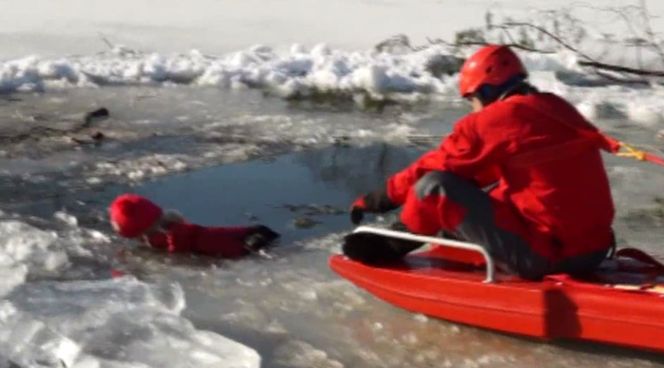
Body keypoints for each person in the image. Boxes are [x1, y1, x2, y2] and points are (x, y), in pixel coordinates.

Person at [344, 44, 621, 280]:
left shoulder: (495, 120)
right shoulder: (554, 108)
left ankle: (390, 246)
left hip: (550, 255)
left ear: (487, 92)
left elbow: (435, 170)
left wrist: (378, 199)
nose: (472, 108)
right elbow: (482, 172)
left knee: (434, 187)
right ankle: (459, 237)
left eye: (471, 100)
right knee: (493, 188)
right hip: (593, 250)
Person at [109, 193, 279, 258]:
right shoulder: (172, 233)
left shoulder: (175, 237)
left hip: (254, 241)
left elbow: (178, 256)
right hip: (251, 237)